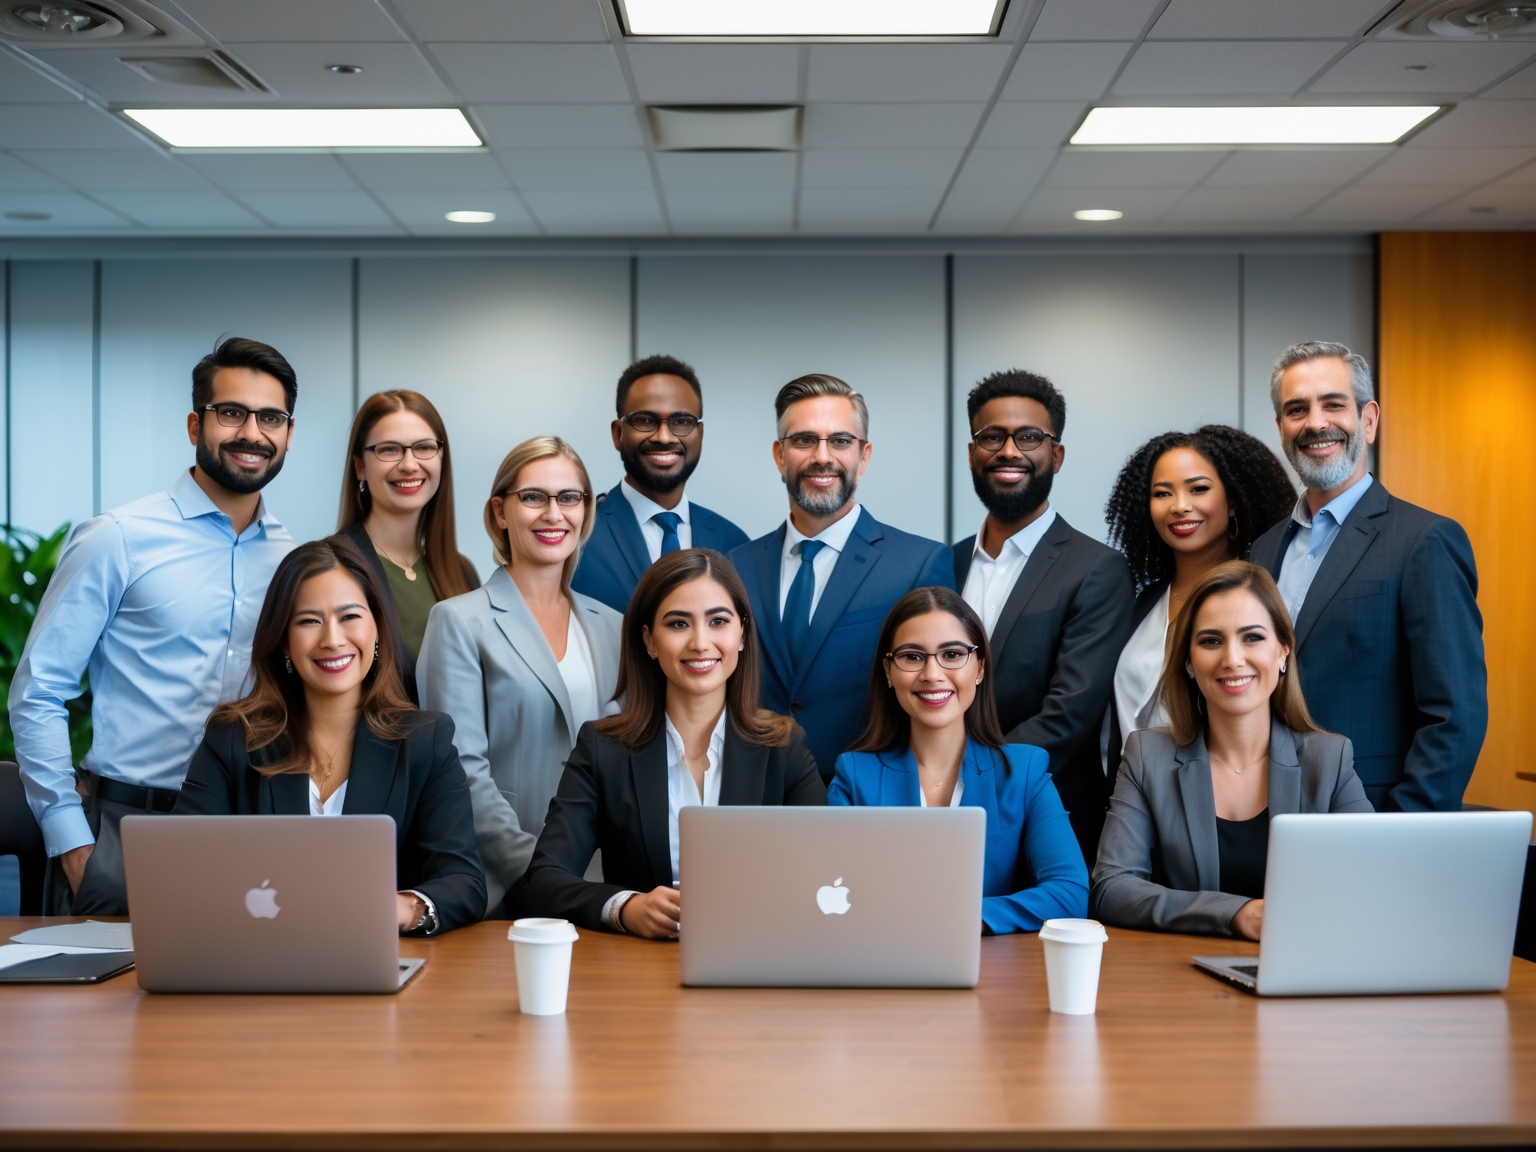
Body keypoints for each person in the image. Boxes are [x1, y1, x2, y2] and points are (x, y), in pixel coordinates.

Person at [9, 336, 297, 915]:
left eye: (271, 417)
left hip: (250, 829)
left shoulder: (291, 557)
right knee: (113, 1005)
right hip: (128, 826)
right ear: (196, 425)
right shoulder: (118, 537)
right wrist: (74, 843)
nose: (252, 433)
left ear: (288, 433)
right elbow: (38, 692)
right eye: (231, 413)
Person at [175, 538, 485, 935]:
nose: (332, 639)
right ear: (284, 639)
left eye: (350, 616)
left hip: (378, 963)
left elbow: (464, 882)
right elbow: (184, 868)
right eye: (308, 621)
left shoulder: (426, 741)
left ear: (377, 627)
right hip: (254, 958)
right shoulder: (233, 737)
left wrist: (399, 908)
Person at [518, 548, 825, 936]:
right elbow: (543, 882)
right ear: (649, 639)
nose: (700, 642)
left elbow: (822, 872)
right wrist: (626, 907)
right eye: (679, 624)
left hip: (757, 961)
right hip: (644, 973)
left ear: (742, 634)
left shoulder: (785, 748)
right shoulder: (602, 749)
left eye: (718, 621)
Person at [1249, 341, 1486, 812]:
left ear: (1369, 419)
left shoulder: (1425, 540)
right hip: (1265, 813)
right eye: (1297, 410)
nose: (1315, 423)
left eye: (1333, 404)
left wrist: (1401, 828)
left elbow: (1454, 715)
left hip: (1375, 814)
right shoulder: (1263, 548)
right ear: (1280, 429)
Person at [1092, 561, 1372, 939]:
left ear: (1283, 651)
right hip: (1183, 979)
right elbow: (1113, 887)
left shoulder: (1330, 760)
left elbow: (1370, 885)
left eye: (1252, 637)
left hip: (1302, 974)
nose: (1233, 659)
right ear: (1189, 661)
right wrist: (1235, 913)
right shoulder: (1147, 756)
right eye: (1211, 641)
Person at [417, 436, 622, 917]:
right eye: (533, 497)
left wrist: (601, 890)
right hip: (508, 889)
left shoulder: (614, 626)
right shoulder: (458, 621)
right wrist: (547, 878)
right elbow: (463, 774)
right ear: (500, 512)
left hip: (607, 888)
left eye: (569, 498)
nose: (554, 513)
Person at [829, 587, 1088, 934]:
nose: (932, 674)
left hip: (991, 970)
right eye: (912, 656)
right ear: (888, 672)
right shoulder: (853, 776)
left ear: (979, 668)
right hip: (884, 966)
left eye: (952, 654)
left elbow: (1070, 894)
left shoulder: (1025, 771)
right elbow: (832, 895)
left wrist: (958, 917)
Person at [731, 374, 954, 778]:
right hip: (752, 796)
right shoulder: (734, 567)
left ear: (863, 456)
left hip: (869, 804)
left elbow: (937, 696)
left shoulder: (920, 564)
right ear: (780, 455)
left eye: (840, 441)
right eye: (803, 441)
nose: (822, 456)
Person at [952, 369, 1134, 862]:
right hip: (938, 818)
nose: (1009, 451)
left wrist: (961, 774)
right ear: (972, 453)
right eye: (992, 437)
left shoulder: (1098, 569)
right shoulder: (942, 564)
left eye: (1029, 437)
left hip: (1044, 819)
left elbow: (1068, 716)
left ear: (1055, 455)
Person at [1103, 425, 1296, 767]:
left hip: (1215, 801)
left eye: (1198, 489)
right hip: (1130, 802)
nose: (1180, 506)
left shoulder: (1260, 598)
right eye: (1163, 493)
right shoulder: (1143, 602)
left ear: (1233, 502)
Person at [572, 355, 749, 614]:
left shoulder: (734, 543)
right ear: (618, 434)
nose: (664, 437)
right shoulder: (576, 535)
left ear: (700, 434)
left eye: (681, 422)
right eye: (645, 420)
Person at [336, 390, 479, 704]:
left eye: (425, 448)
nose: (410, 464)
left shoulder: (462, 573)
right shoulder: (330, 567)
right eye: (389, 450)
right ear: (360, 466)